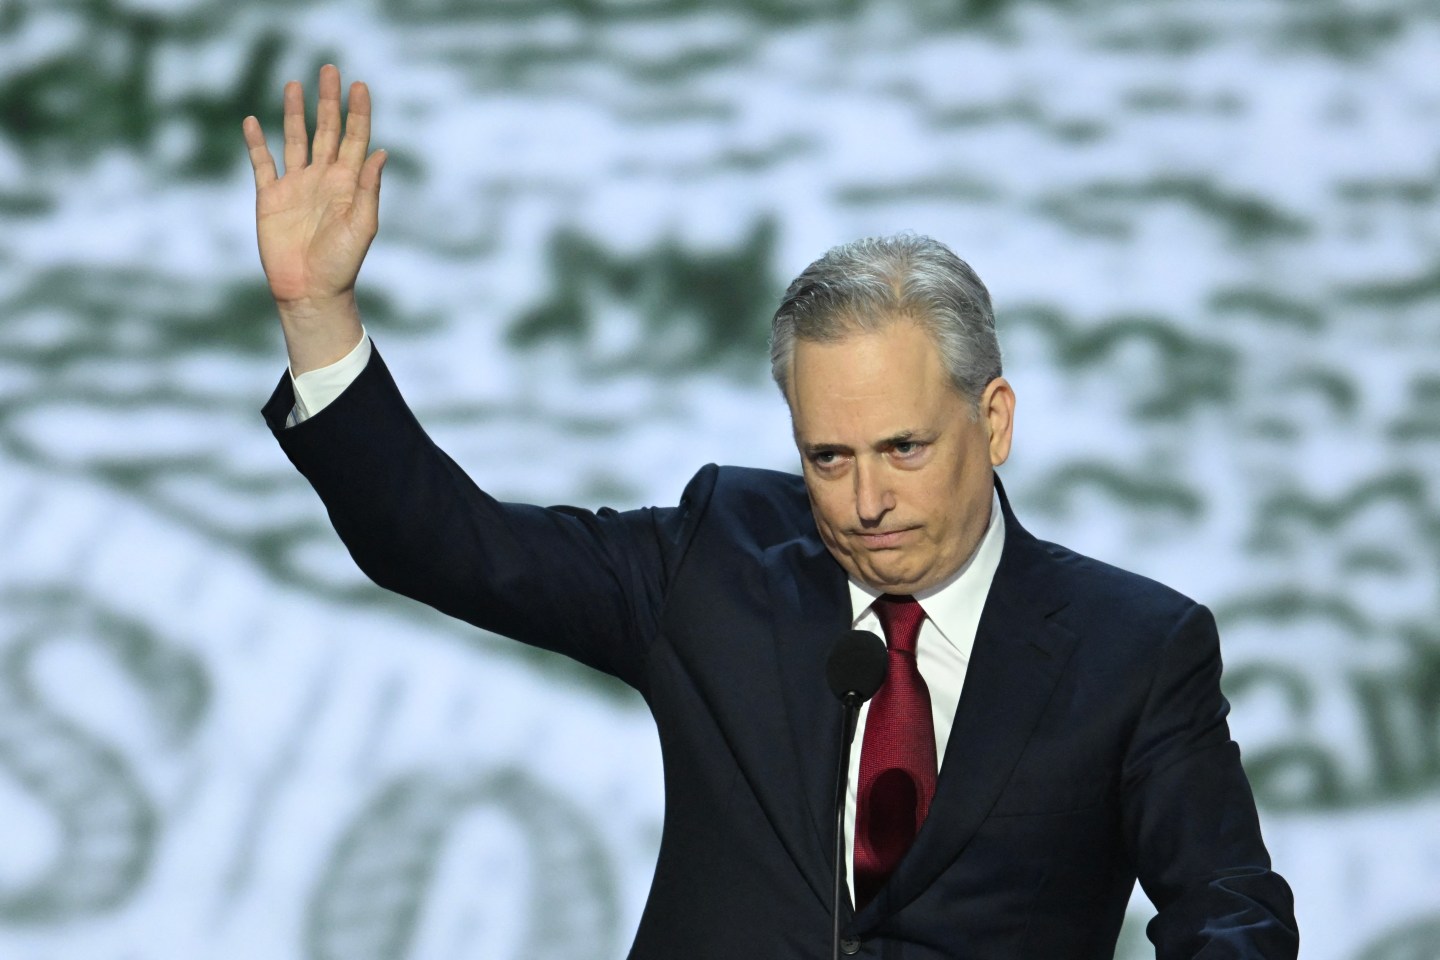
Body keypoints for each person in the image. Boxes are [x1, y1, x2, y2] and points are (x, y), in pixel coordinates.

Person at [244, 66, 1299, 959]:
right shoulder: (716, 560)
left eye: (904, 449)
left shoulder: (1135, 649)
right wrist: (317, 313)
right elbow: (446, 545)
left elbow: (1232, 913)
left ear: (995, 419)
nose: (867, 500)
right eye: (827, 457)